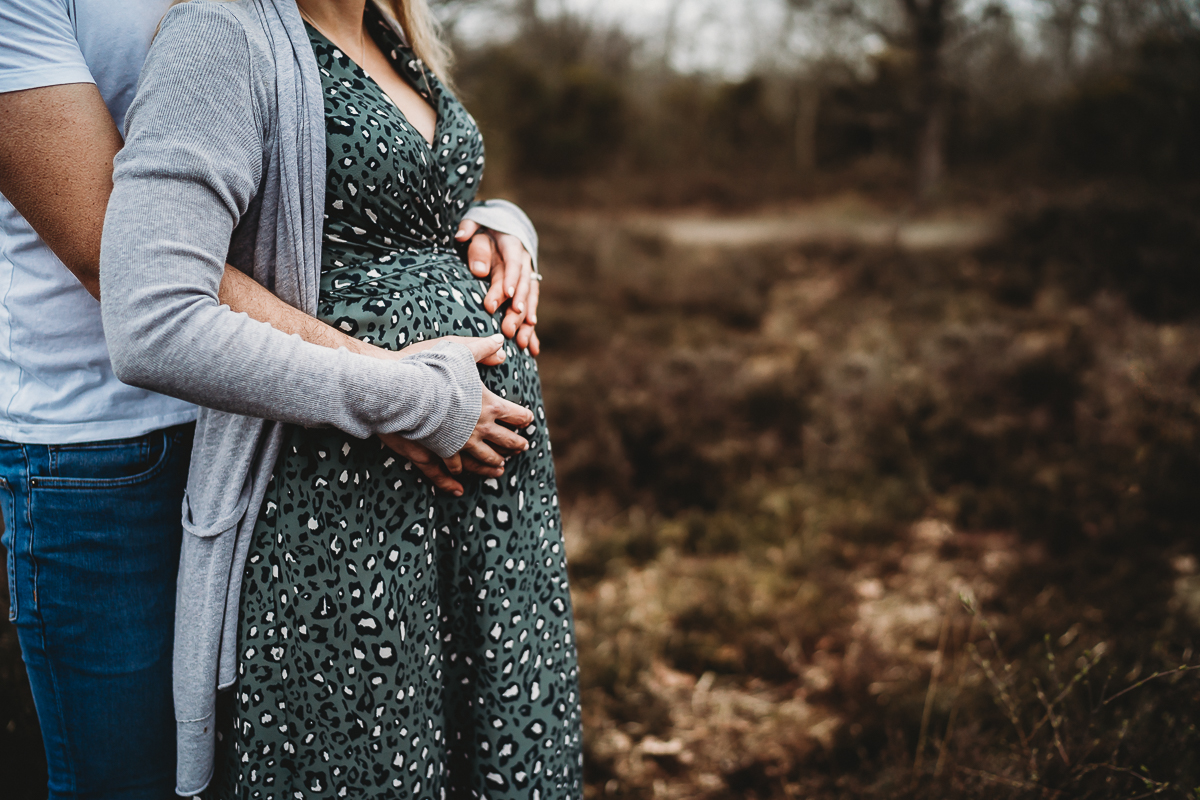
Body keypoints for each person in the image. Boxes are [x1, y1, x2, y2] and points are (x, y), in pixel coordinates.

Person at [0, 0, 544, 797]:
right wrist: (392, 389)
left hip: (286, 431)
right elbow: (115, 256)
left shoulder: (356, 20)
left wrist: (485, 225)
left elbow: (319, 176)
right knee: (133, 778)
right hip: (108, 449)